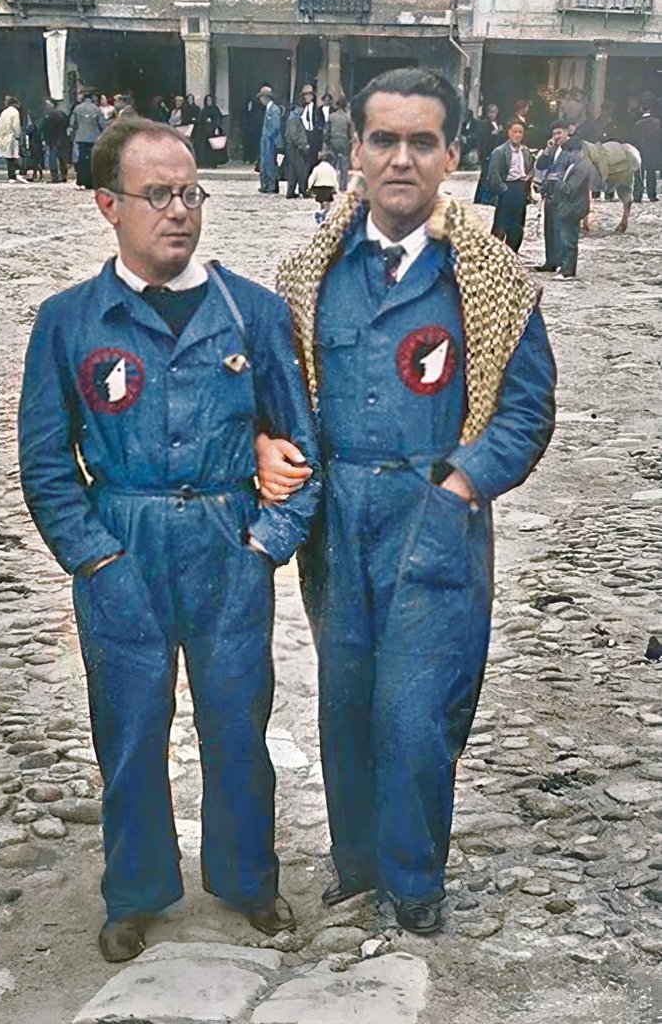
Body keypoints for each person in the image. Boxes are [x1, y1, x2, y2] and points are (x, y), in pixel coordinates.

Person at [257, 67, 556, 936]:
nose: (400, 158)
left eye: (422, 141)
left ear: (452, 154)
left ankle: (415, 876)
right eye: (383, 139)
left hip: (436, 515)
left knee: (418, 710)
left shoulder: (491, 280)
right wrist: (268, 450)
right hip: (338, 521)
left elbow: (526, 409)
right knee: (347, 699)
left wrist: (461, 486)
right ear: (354, 148)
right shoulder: (311, 274)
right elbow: (277, 395)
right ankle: (357, 866)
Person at [18, 117, 320, 964]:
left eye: (190, 192)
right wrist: (95, 556)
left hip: (228, 544)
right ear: (107, 205)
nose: (179, 211)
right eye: (157, 195)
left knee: (239, 725)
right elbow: (45, 463)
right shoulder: (70, 322)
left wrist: (267, 543)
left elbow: (303, 448)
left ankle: (248, 879)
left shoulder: (253, 312)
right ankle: (135, 891)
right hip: (125, 543)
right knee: (128, 729)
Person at [487, 119, 535, 252]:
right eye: (515, 131)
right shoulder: (500, 151)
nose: (517, 135)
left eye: (520, 132)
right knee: (500, 226)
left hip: (521, 189)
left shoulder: (525, 151)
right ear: (509, 132)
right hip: (507, 189)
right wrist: (503, 190)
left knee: (517, 227)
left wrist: (528, 182)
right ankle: (494, 256)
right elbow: (493, 174)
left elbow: (530, 168)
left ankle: (512, 253)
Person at [551, 137, 592, 281]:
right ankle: (565, 267)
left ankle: (568, 271)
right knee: (565, 238)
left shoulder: (582, 167)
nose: (569, 156)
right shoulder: (576, 164)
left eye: (570, 152)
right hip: (570, 206)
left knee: (569, 240)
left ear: (577, 151)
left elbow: (570, 188)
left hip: (574, 207)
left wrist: (556, 182)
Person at [534, 119, 571, 270]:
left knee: (562, 228)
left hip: (564, 192)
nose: (556, 136)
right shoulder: (553, 149)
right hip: (550, 192)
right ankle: (551, 261)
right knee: (549, 227)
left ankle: (563, 262)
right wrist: (547, 150)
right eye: (554, 133)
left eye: (559, 133)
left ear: (566, 132)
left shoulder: (573, 148)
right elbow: (540, 165)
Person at [68, 88, 101, 190]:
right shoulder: (96, 109)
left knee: (81, 158)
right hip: (93, 137)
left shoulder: (77, 108)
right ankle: (91, 180)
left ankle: (81, 179)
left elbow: (72, 123)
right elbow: (100, 123)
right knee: (92, 158)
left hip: (80, 136)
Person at [632, 95, 661, 203]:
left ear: (641, 109)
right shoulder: (657, 122)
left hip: (640, 151)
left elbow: (634, 139)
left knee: (639, 173)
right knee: (651, 173)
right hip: (653, 151)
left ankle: (637, 195)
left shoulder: (638, 124)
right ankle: (652, 194)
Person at [473, 103, 503, 204]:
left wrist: (500, 132)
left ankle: (491, 198)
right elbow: (483, 139)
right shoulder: (484, 124)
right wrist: (493, 135)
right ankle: (481, 197)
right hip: (487, 152)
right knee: (485, 175)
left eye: (495, 112)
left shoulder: (498, 124)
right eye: (491, 112)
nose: (493, 115)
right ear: (487, 113)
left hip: (496, 152)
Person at [0, 95, 27, 184]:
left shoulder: (4, 112)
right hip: (12, 137)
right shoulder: (15, 112)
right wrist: (18, 135)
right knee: (12, 157)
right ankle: (12, 175)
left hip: (3, 136)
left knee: (9, 158)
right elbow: (16, 125)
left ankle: (12, 175)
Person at [324, 97, 352, 191]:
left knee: (332, 165)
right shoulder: (347, 118)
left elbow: (326, 131)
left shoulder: (331, 116)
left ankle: (330, 185)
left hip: (333, 141)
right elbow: (350, 133)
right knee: (344, 166)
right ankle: (343, 187)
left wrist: (327, 142)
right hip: (344, 141)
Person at [258, 85, 282, 193]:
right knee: (264, 163)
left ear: (266, 97)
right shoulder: (268, 109)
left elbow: (276, 126)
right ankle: (265, 185)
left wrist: (268, 136)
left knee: (270, 163)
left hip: (270, 140)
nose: (260, 100)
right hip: (265, 140)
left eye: (261, 97)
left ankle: (271, 185)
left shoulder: (274, 110)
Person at [283, 102, 310, 200]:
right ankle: (303, 190)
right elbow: (294, 135)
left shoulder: (292, 119)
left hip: (291, 148)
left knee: (292, 170)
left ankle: (290, 191)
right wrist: (302, 145)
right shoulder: (294, 120)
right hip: (295, 148)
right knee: (300, 169)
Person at [299, 83, 323, 187]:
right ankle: (304, 186)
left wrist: (319, 146)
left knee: (311, 164)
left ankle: (309, 186)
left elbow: (318, 128)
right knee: (304, 165)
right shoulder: (302, 109)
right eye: (305, 95)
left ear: (313, 96)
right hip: (304, 138)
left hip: (313, 140)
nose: (307, 97)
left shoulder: (316, 110)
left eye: (309, 95)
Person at [196, 94, 226, 169]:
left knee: (213, 148)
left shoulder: (215, 109)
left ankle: (214, 163)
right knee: (206, 149)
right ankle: (206, 163)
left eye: (210, 100)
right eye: (207, 100)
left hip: (213, 131)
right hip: (205, 132)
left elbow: (218, 119)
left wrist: (216, 127)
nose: (209, 102)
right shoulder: (204, 110)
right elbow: (200, 120)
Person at [306, 149, 339, 218]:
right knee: (327, 208)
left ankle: (321, 217)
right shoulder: (331, 168)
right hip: (328, 188)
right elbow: (334, 179)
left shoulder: (317, 167)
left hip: (318, 188)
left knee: (321, 204)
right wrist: (336, 189)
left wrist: (309, 187)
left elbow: (311, 178)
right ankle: (321, 214)